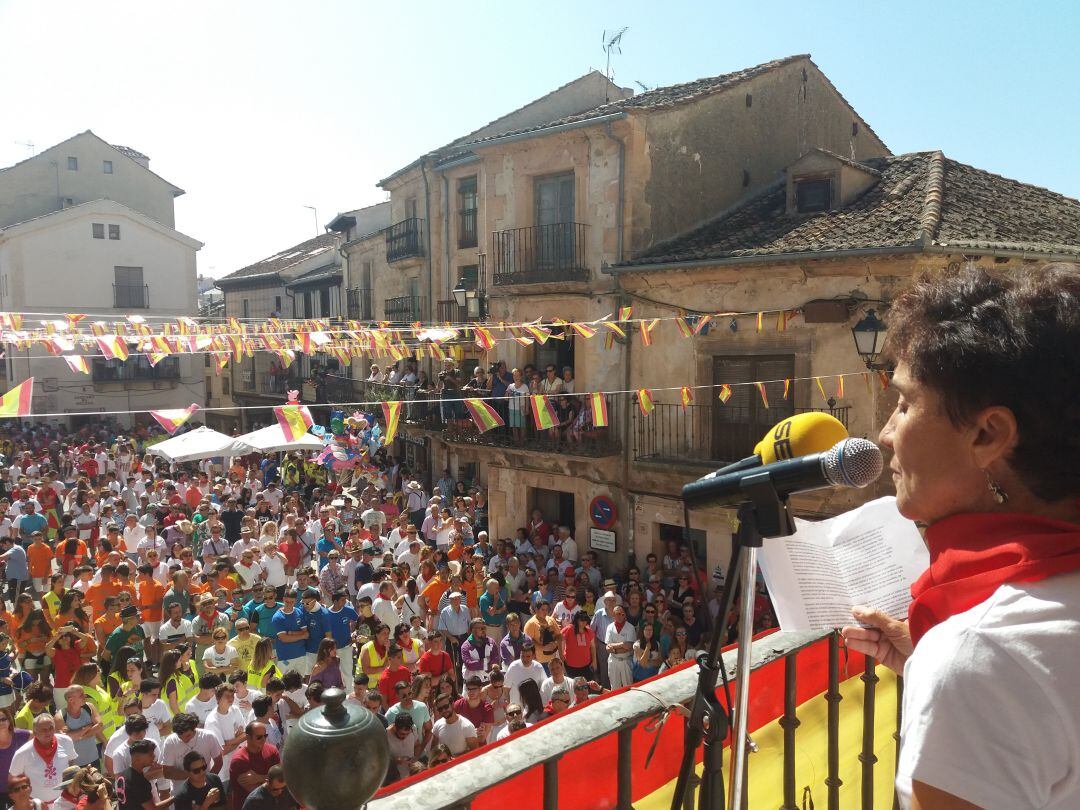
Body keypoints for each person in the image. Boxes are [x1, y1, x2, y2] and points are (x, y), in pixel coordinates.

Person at [841, 264, 1080, 810]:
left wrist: (958, 672)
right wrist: (933, 662)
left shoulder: (985, 658)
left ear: (989, 434)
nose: (885, 433)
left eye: (904, 404)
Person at [10, 712, 78, 804]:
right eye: (43, 729)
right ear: (35, 732)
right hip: (37, 805)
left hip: (64, 802)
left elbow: (72, 763)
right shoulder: (22, 753)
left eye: (51, 728)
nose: (48, 732)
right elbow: (13, 779)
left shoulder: (66, 741)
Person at [228, 722, 280, 810]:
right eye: (259, 737)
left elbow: (281, 777)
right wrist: (273, 781)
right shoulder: (239, 760)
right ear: (248, 737)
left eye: (265, 735)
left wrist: (259, 778)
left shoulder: (272, 750)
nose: (263, 739)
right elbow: (257, 792)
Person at [116, 738, 169, 810]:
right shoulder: (139, 782)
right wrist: (176, 796)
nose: (154, 756)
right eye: (150, 755)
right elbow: (153, 809)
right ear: (137, 758)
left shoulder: (123, 775)